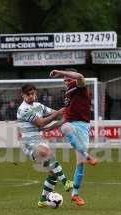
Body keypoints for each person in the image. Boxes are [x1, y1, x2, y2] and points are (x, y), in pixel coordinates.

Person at [17, 83, 73, 208]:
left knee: (52, 173)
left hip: (39, 140)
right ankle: (66, 182)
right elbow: (41, 123)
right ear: (23, 95)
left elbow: (56, 114)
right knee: (48, 154)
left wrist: (68, 111)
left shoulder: (38, 106)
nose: (32, 96)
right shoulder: (23, 109)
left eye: (33, 94)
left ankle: (42, 200)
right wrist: (58, 113)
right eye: (29, 94)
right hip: (28, 143)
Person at [49, 69, 98, 206]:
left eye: (68, 78)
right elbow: (64, 118)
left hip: (83, 126)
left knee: (80, 163)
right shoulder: (67, 96)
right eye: (64, 79)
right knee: (64, 127)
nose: (66, 81)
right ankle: (87, 155)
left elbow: (80, 76)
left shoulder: (80, 87)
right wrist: (47, 127)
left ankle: (75, 194)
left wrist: (60, 72)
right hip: (70, 124)